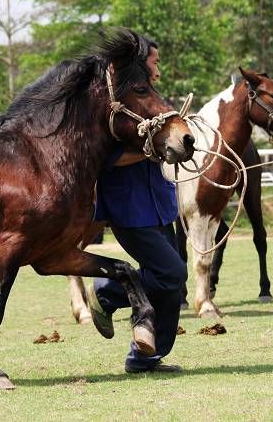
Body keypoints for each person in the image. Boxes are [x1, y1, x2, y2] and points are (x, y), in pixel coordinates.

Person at [86, 38, 186, 373]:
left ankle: (146, 359)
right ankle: (108, 291)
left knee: (173, 284)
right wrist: (150, 148)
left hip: (159, 202)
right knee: (172, 273)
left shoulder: (153, 100)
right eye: (155, 63)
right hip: (129, 208)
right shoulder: (117, 103)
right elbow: (108, 158)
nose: (159, 69)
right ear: (141, 64)